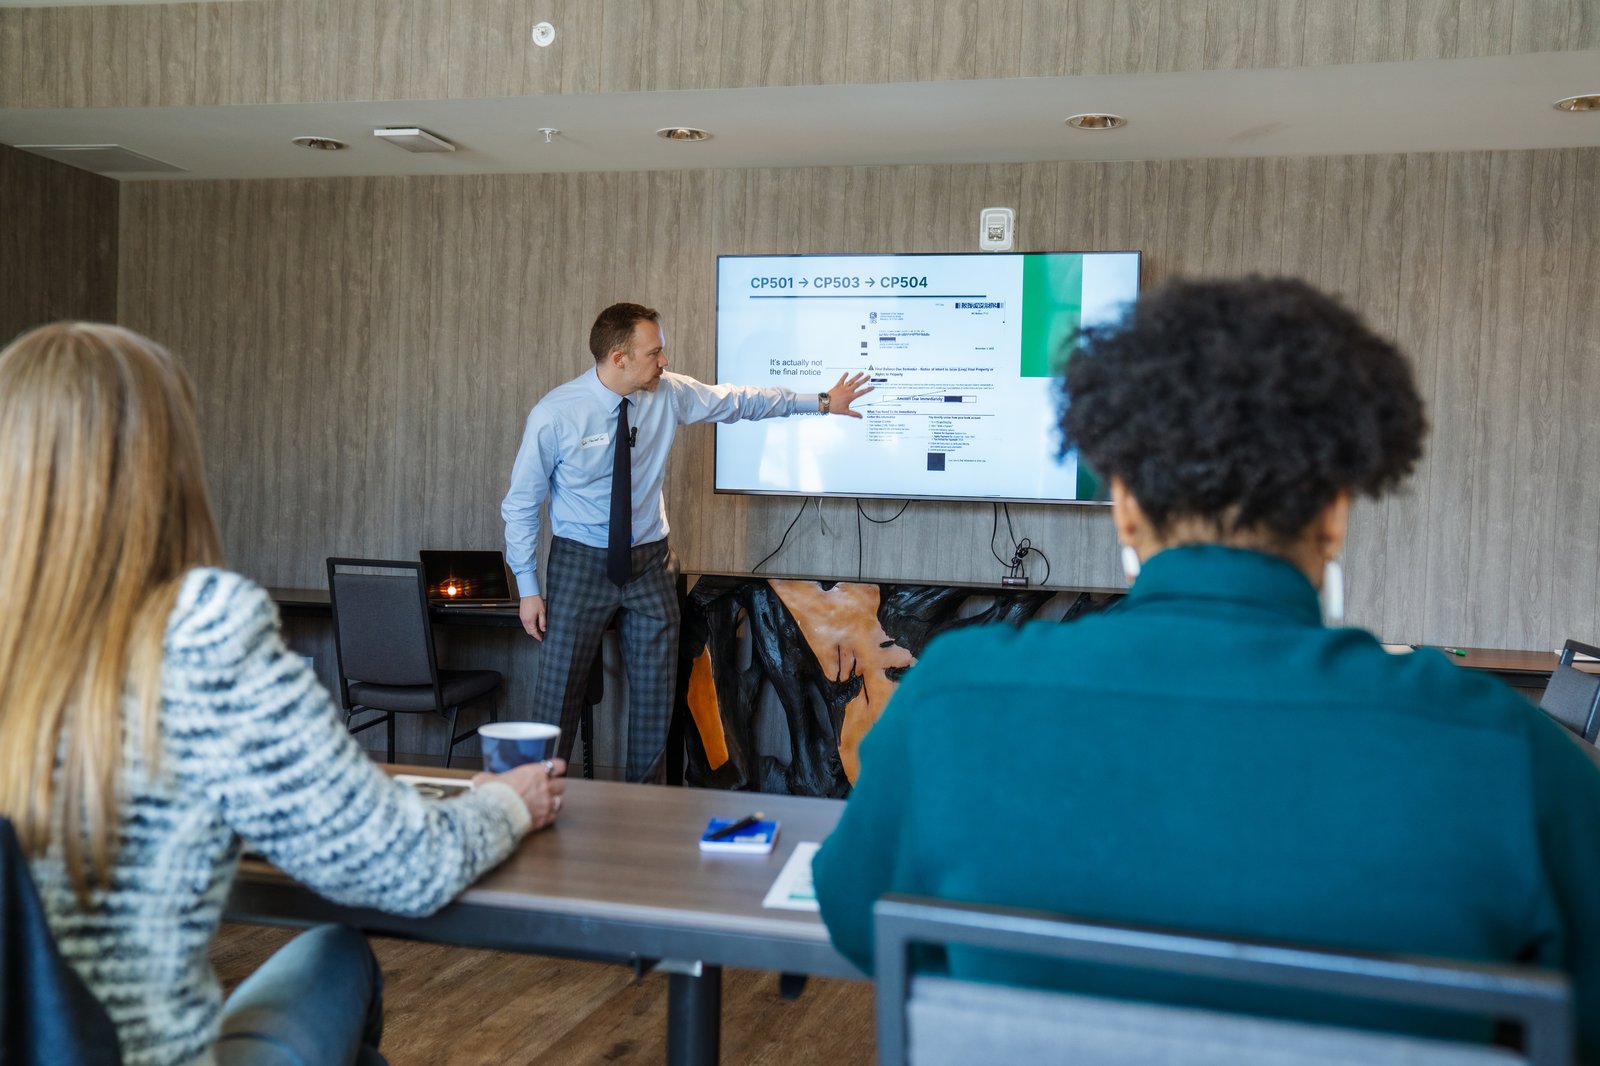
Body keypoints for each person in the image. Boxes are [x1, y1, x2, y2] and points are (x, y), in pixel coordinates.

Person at [812, 276, 1600, 1059]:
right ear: (1334, 513)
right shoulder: (1508, 756)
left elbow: (857, 919)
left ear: (1123, 504)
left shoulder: (953, 703)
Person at [0, 322, 568, 1066]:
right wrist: (507, 801)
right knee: (340, 956)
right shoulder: (198, 632)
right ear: (163, 467)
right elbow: (401, 866)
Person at [502, 302, 872, 782]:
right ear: (619, 358)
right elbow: (521, 505)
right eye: (654, 352)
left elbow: (739, 401)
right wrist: (528, 588)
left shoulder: (668, 394)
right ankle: (530, 802)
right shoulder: (556, 415)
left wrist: (820, 402)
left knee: (657, 702)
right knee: (557, 696)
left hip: (650, 564)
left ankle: (648, 815)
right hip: (580, 563)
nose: (664, 361)